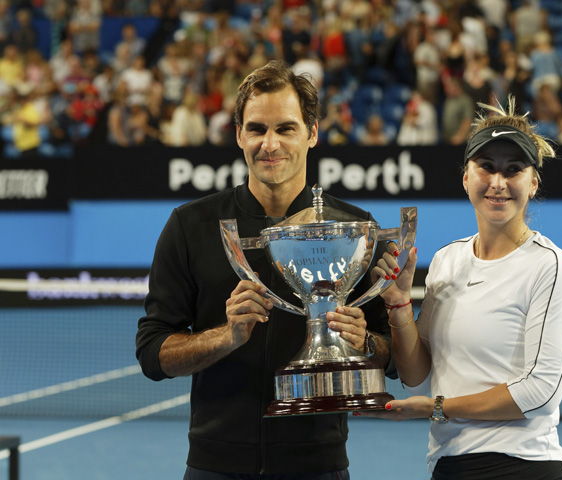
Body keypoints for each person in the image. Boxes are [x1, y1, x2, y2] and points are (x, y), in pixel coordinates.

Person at [136, 60, 393, 479]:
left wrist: (364, 342)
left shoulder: (355, 231)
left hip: (319, 466)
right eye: (256, 129)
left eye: (285, 128)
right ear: (239, 134)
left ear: (312, 133)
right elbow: (152, 353)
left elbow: (393, 356)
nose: (269, 144)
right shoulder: (191, 225)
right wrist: (227, 336)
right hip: (215, 466)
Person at [361, 96, 562, 479]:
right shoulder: (448, 260)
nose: (498, 182)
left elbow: (540, 393)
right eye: (486, 167)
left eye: (513, 170)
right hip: (449, 464)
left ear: (533, 184)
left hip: (523, 466)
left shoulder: (551, 265)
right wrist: (397, 305)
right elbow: (415, 373)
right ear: (466, 177)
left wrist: (437, 407)